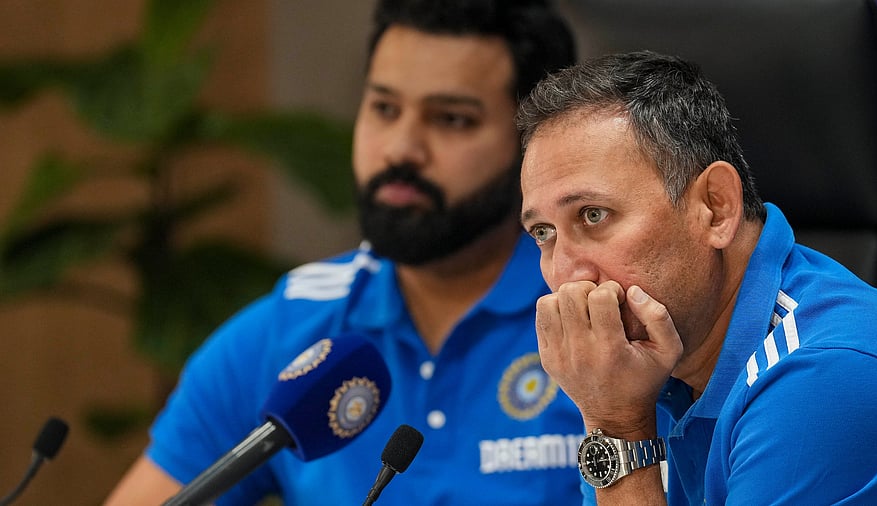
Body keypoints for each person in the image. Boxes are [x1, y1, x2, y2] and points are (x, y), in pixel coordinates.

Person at [104, 1, 582, 505]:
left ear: (537, 142)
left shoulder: (600, 316)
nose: (400, 148)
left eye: (451, 119)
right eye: (384, 108)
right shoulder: (288, 331)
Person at [517, 50, 877, 505]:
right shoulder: (640, 362)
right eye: (543, 233)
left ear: (716, 207)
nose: (565, 273)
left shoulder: (829, 376)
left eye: (593, 215)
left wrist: (616, 428)